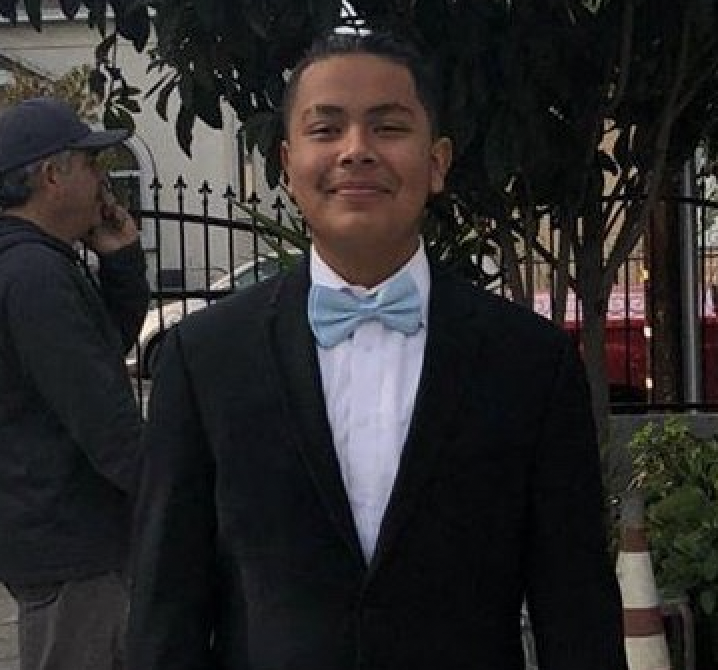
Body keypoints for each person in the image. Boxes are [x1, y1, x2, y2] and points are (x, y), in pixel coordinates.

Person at [128, 31, 628, 670]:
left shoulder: (529, 362)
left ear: (437, 162)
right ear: (288, 165)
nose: (356, 150)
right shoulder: (206, 360)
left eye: (388, 128)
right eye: (326, 129)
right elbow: (165, 604)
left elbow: (576, 606)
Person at [0, 97, 149, 670]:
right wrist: (174, 498)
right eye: (90, 164)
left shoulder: (36, 262)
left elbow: (99, 351)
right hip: (72, 541)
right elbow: (101, 415)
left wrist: (121, 262)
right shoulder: (33, 273)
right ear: (51, 175)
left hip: (56, 533)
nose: (101, 180)